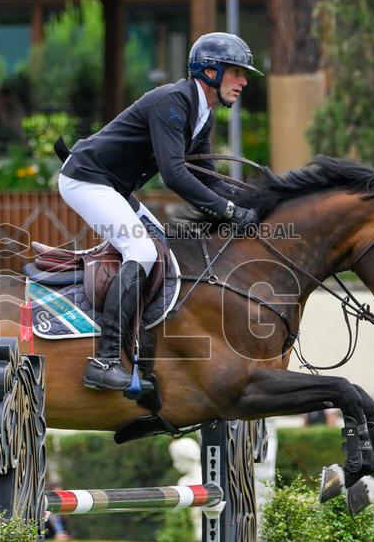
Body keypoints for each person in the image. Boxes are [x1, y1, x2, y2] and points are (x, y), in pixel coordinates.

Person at [59, 32, 262, 391]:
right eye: (236, 72)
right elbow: (175, 175)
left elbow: (208, 179)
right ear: (210, 71)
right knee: (141, 250)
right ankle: (104, 361)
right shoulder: (173, 101)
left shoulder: (202, 116)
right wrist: (230, 210)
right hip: (85, 179)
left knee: (164, 247)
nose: (244, 81)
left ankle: (144, 351)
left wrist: (255, 203)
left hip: (114, 187)